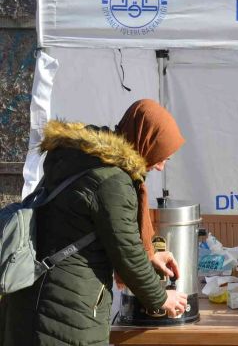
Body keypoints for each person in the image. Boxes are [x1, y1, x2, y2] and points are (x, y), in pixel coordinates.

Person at [0, 99, 188, 346]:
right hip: (62, 312)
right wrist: (161, 298)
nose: (161, 165)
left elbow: (103, 232)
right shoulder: (111, 180)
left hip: (33, 299)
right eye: (161, 155)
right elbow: (127, 252)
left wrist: (150, 255)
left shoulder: (82, 158)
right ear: (145, 141)